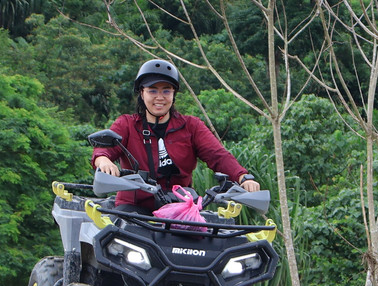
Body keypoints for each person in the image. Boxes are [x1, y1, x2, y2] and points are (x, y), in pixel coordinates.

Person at [92, 58, 260, 211]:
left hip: (180, 208)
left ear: (174, 94)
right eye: (152, 90)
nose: (160, 97)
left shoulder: (191, 126)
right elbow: (103, 150)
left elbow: (218, 155)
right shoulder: (127, 124)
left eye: (166, 91)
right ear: (141, 93)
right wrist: (105, 161)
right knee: (119, 232)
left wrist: (243, 177)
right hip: (135, 207)